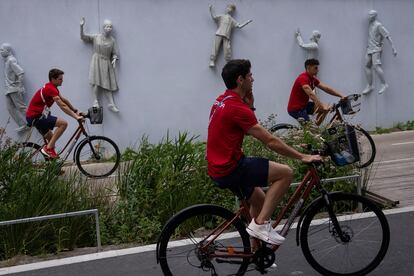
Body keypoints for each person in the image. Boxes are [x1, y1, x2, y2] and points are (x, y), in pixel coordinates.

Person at [207, 59, 321, 245]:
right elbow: (270, 140)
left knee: (260, 201)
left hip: (218, 166)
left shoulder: (222, 100)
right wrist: (303, 156)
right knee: (285, 173)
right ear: (240, 80)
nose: (253, 78)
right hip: (230, 167)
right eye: (250, 75)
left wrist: (250, 105)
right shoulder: (237, 107)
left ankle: (256, 253)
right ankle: (260, 225)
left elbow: (244, 126)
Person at [26, 69, 83, 159]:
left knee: (51, 139)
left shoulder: (52, 87)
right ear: (53, 79)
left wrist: (75, 110)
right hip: (36, 117)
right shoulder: (50, 88)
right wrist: (76, 117)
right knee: (63, 124)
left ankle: (52, 165)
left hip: (37, 116)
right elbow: (62, 105)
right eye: (60, 79)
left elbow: (64, 100)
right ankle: (48, 149)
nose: (62, 80)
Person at [80, 17, 120, 112]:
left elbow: (115, 53)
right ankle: (95, 101)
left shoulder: (112, 40)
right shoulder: (96, 37)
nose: (109, 28)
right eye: (107, 26)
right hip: (96, 60)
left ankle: (111, 104)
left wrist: (114, 59)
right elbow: (83, 37)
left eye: (110, 27)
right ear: (103, 27)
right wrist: (81, 27)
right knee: (96, 82)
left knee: (107, 84)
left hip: (106, 62)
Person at [287, 59, 345, 123]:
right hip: (296, 109)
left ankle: (316, 129)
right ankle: (313, 131)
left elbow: (326, 88)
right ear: (308, 68)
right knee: (310, 127)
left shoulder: (312, 79)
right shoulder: (303, 78)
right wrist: (320, 105)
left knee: (326, 108)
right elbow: (311, 94)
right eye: (315, 68)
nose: (318, 70)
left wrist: (341, 95)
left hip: (304, 106)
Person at [362, 10, 397, 95]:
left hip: (376, 49)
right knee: (366, 65)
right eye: (368, 15)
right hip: (369, 48)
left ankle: (384, 84)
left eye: (370, 15)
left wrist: (393, 48)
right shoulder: (370, 24)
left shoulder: (379, 25)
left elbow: (387, 35)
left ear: (374, 16)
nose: (368, 16)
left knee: (376, 66)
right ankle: (370, 86)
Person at [0, 43, 28, 132]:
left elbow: (21, 73)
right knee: (10, 108)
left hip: (14, 88)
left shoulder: (11, 60)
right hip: (9, 89)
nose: (0, 52)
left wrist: (20, 86)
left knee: (21, 107)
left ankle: (34, 121)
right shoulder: (7, 61)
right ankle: (23, 124)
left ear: (8, 51)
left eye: (2, 50)